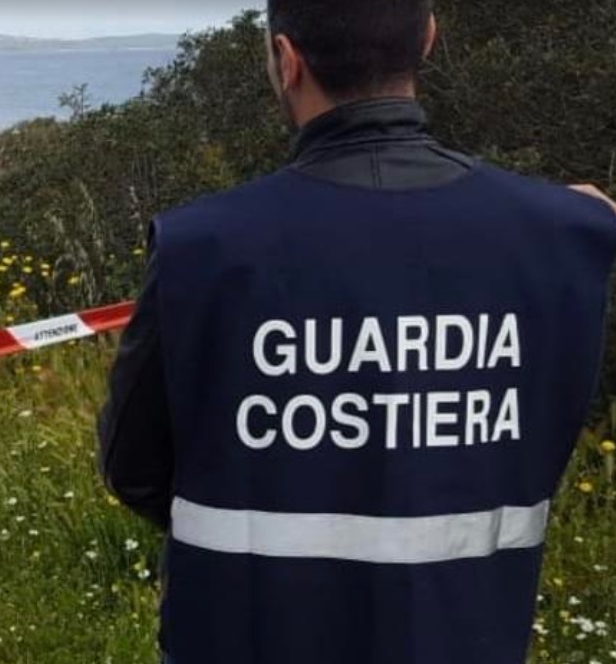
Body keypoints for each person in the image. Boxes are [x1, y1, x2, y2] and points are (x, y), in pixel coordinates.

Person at [97, 2, 616, 663]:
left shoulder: (202, 247)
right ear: (427, 37)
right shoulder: (564, 237)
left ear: (287, 61)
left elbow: (132, 465)